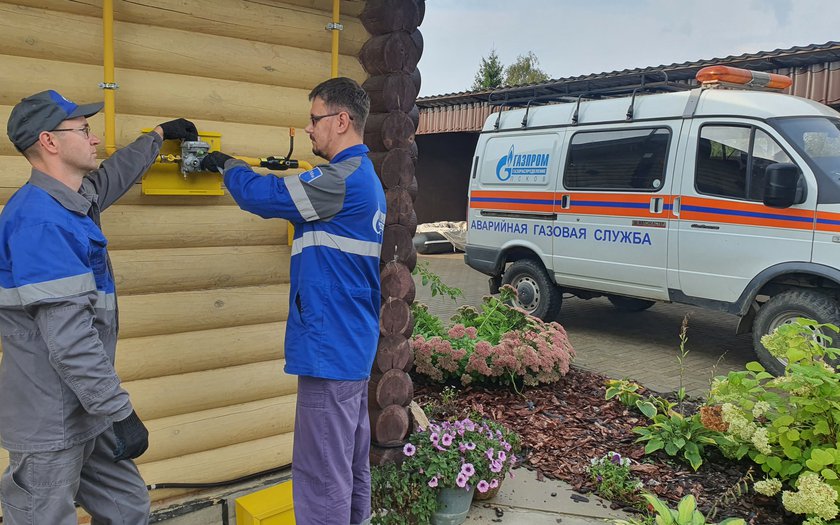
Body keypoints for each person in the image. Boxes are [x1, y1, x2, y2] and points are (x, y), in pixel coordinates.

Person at [0, 89, 198, 525]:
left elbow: (113, 175)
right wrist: (121, 412)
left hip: (86, 408)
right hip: (50, 419)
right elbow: (69, 340)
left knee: (127, 507)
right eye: (84, 130)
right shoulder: (40, 222)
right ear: (49, 142)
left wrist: (159, 136)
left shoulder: (75, 200)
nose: (96, 140)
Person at [200, 77, 385, 525]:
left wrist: (224, 163)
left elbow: (267, 195)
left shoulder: (341, 180)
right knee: (347, 469)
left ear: (342, 121)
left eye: (315, 119)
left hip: (330, 350)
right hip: (349, 347)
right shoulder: (364, 178)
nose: (309, 129)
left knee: (322, 479)